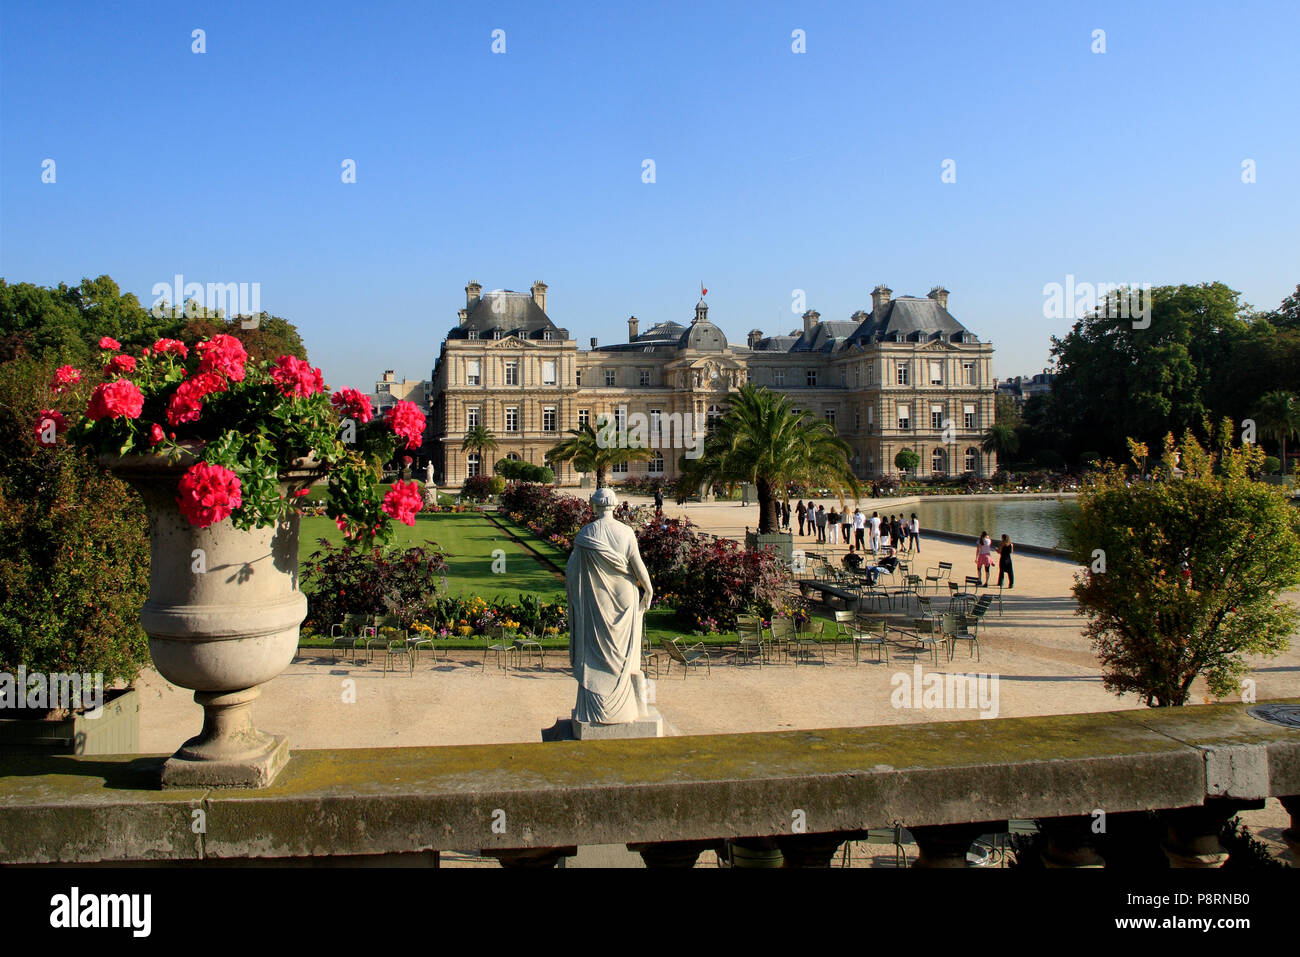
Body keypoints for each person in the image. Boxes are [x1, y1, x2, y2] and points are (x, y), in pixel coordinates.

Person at [567, 488, 654, 725]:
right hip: (625, 596)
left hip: (597, 597)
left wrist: (577, 592)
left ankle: (593, 708)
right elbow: (638, 565)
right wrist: (648, 588)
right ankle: (626, 708)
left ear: (594, 507)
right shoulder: (625, 532)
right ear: (615, 506)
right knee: (625, 652)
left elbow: (571, 570)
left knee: (595, 651)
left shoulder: (586, 534)